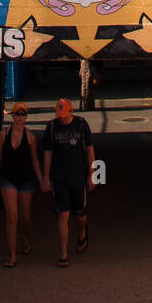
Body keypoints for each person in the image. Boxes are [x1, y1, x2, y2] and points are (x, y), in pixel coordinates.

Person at [42, 97, 95, 268]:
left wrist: (93, 175)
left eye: (64, 115)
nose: (61, 118)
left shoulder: (81, 125)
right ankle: (63, 253)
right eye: (59, 115)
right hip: (60, 177)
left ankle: (82, 231)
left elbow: (90, 150)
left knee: (80, 214)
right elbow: (48, 153)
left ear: (71, 111)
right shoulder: (52, 127)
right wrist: (46, 177)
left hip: (78, 176)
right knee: (63, 214)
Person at [0, 102, 43, 268]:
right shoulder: (3, 135)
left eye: (22, 114)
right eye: (17, 114)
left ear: (26, 117)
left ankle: (26, 238)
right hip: (7, 178)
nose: (20, 117)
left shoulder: (31, 138)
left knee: (25, 218)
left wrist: (42, 180)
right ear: (12, 116)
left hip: (26, 179)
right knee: (12, 216)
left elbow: (34, 160)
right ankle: (12, 255)